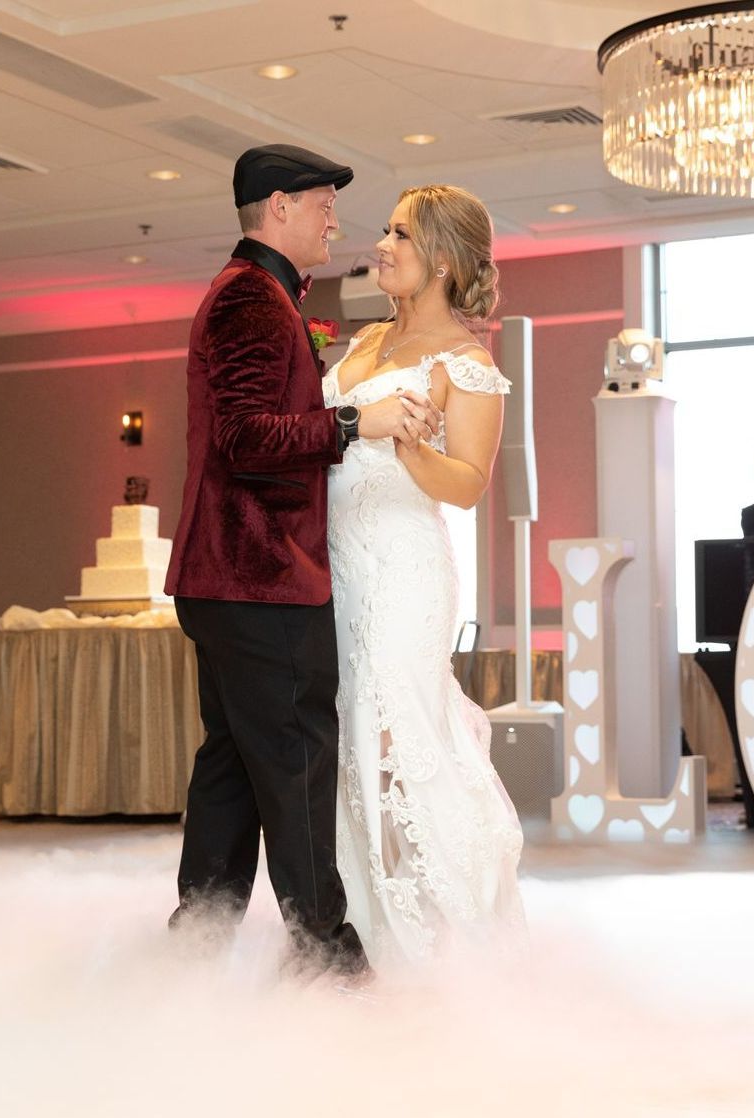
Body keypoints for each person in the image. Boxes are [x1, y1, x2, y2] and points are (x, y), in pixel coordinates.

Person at [164, 144, 438, 977]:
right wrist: (361, 423)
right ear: (277, 207)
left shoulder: (255, 294)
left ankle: (197, 944)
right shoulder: (252, 298)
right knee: (297, 768)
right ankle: (329, 961)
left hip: (226, 578)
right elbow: (247, 439)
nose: (335, 220)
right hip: (260, 578)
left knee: (235, 769)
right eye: (323, 204)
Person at [324, 184, 524, 965]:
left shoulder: (467, 364)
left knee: (397, 735)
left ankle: (450, 938)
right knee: (346, 738)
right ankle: (361, 928)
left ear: (441, 258)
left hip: (404, 571)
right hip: (337, 568)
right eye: (385, 230)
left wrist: (410, 447)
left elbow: (469, 484)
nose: (381, 245)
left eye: (399, 235)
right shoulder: (365, 342)